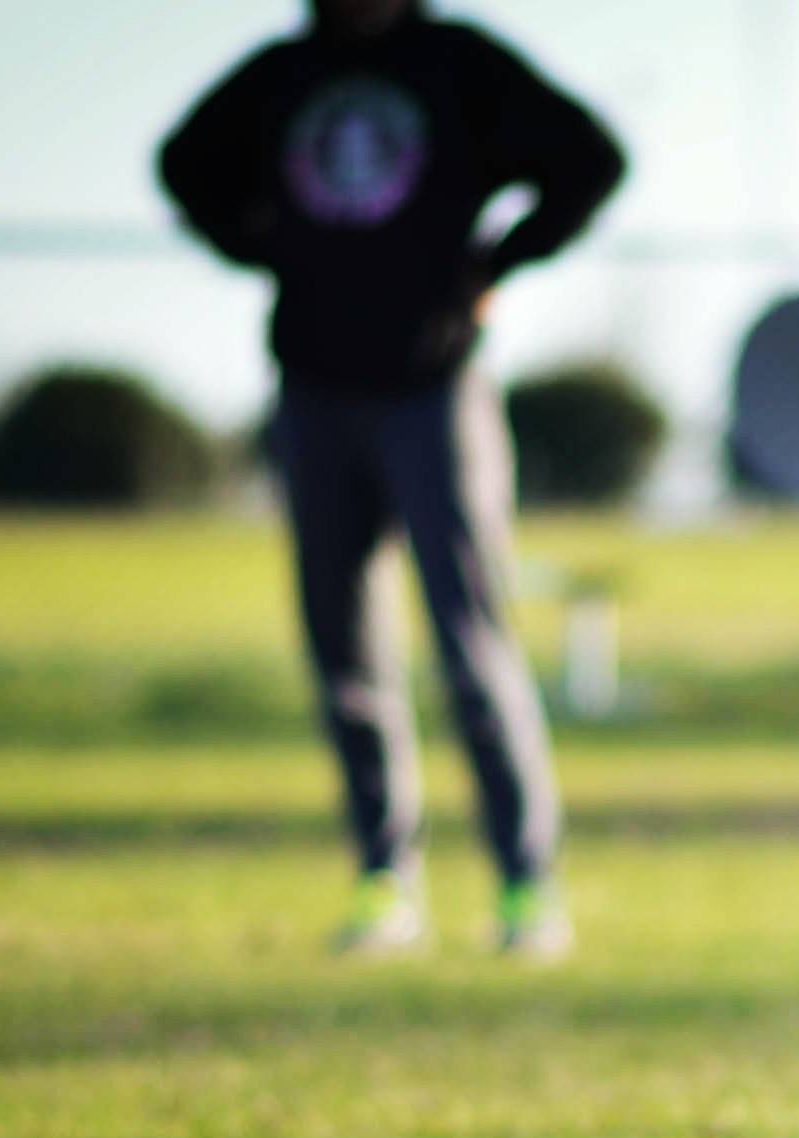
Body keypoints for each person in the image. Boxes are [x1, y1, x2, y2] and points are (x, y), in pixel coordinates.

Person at [159, 0, 625, 956]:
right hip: (315, 393)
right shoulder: (283, 77)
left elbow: (590, 161)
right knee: (344, 654)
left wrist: (497, 260)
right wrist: (269, 246)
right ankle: (385, 882)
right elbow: (184, 166)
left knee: (470, 643)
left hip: (433, 385)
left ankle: (526, 888)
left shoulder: (457, 66)